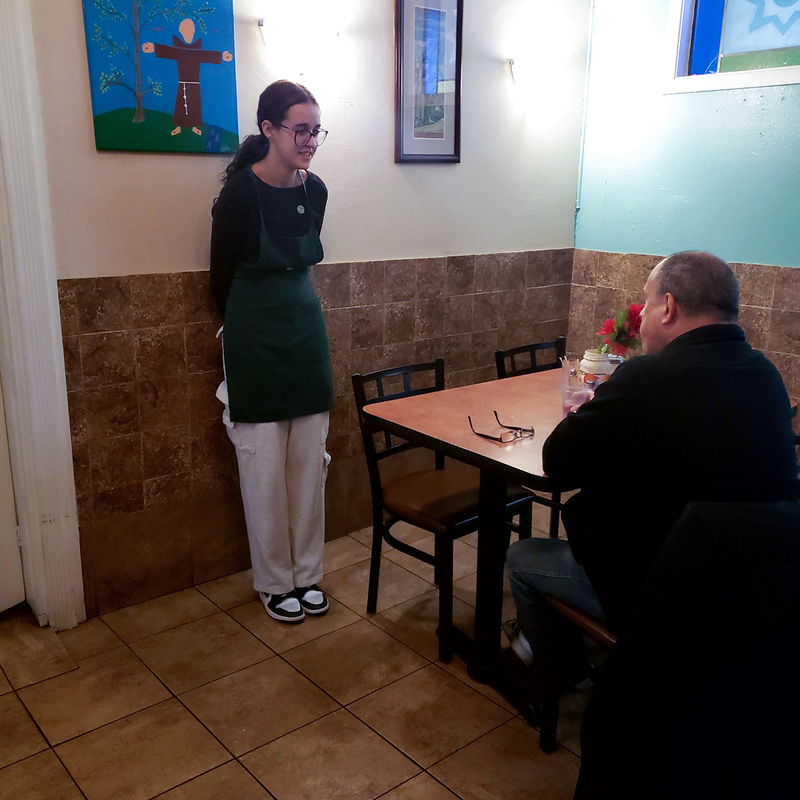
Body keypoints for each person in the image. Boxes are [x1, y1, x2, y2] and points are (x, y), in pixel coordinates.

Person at [505, 251, 800, 678]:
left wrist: (589, 414)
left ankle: (562, 670)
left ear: (668, 306)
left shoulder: (648, 377)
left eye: (645, 302)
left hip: (662, 594)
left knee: (523, 555)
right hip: (754, 596)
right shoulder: (766, 376)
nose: (640, 314)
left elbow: (558, 462)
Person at [210, 80, 333, 624]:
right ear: (269, 130)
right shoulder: (238, 195)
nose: (309, 140)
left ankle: (307, 573)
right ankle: (274, 582)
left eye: (314, 130)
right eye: (299, 129)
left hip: (306, 338)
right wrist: (246, 329)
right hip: (254, 339)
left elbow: (302, 262)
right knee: (263, 468)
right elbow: (218, 281)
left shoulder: (317, 191)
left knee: (309, 464)